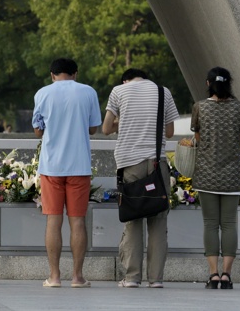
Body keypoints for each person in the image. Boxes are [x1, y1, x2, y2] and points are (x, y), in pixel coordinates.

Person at [102, 68, 178, 289]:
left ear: (125, 80)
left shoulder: (119, 91)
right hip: (157, 163)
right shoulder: (164, 92)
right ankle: (156, 279)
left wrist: (122, 122)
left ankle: (133, 277)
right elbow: (170, 131)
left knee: (133, 220)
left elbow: (106, 128)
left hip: (130, 163)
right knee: (158, 219)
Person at [32, 58, 102, 289]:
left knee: (53, 220)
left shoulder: (42, 94)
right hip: (79, 166)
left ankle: (54, 277)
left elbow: (38, 130)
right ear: (76, 73)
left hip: (51, 166)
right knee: (78, 222)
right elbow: (93, 128)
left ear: (52, 75)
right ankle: (77, 277)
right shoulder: (88, 92)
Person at [191, 66, 240, 290]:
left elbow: (197, 137)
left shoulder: (199, 107)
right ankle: (227, 275)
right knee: (230, 224)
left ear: (208, 84)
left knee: (210, 224)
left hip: (206, 175)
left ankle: (213, 274)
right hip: (232, 175)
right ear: (229, 83)